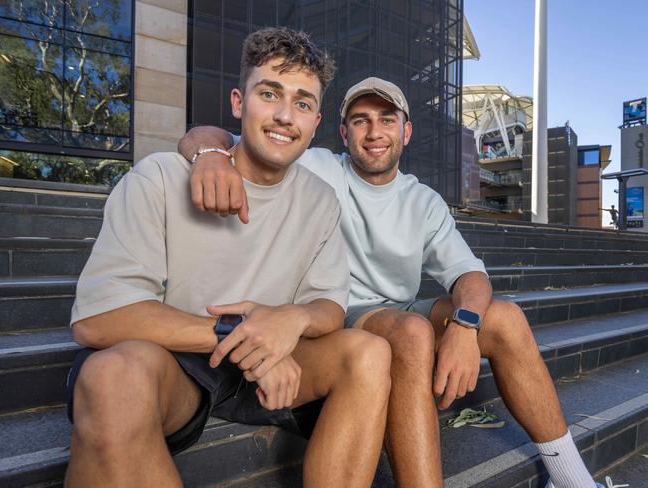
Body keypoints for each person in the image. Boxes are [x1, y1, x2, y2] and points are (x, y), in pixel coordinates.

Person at [178, 77, 604, 488]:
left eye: (387, 118)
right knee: (412, 332)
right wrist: (212, 154)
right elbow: (207, 135)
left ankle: (573, 480)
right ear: (344, 133)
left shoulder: (422, 200)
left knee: (505, 319)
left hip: (396, 312)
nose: (374, 131)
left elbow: (469, 274)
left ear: (407, 130)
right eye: (361, 120)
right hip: (333, 315)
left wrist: (465, 325)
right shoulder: (318, 166)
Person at [64, 28, 392, 488]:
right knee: (111, 377)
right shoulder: (158, 178)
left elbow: (330, 309)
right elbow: (98, 318)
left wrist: (292, 319)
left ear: (316, 122)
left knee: (370, 352)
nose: (283, 116)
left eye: (301, 103)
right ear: (238, 103)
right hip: (177, 361)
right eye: (269, 93)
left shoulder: (320, 200)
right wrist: (246, 338)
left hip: (277, 365)